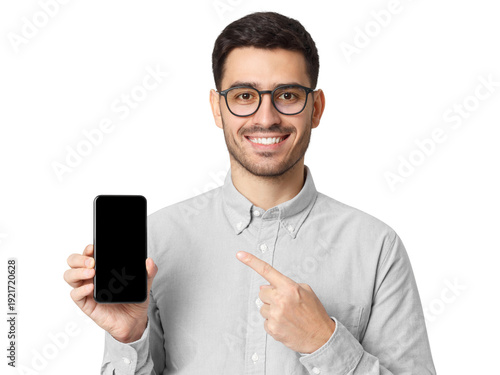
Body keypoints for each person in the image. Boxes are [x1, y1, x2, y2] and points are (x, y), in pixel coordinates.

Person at [64, 11, 436, 374]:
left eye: (287, 95)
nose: (266, 117)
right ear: (217, 108)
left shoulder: (376, 248)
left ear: (316, 108)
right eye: (244, 96)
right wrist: (130, 339)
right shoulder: (156, 240)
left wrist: (325, 343)